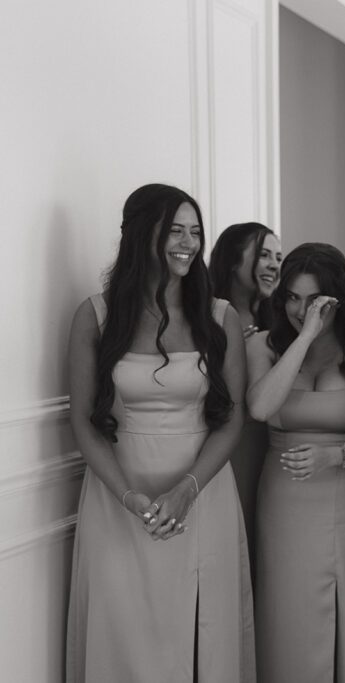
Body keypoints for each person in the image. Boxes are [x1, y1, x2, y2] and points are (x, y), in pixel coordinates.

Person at [66, 183, 254, 682]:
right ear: (141, 234)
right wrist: (130, 498)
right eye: (175, 230)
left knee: (202, 638)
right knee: (123, 633)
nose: (188, 243)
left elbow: (232, 418)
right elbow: (83, 421)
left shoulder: (219, 317)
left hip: (203, 491)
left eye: (195, 232)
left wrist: (186, 490)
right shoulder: (95, 315)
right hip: (116, 497)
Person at [247, 243, 345, 682]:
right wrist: (307, 336)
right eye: (292, 297)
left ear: (337, 298)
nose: (300, 309)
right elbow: (260, 407)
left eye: (312, 300)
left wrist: (336, 456)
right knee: (288, 611)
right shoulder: (264, 346)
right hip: (285, 498)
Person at [209, 221, 283, 572]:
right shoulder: (206, 316)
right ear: (233, 260)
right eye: (264, 254)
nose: (274, 265)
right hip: (230, 447)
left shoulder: (280, 320)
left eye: (279, 257)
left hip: (273, 448)